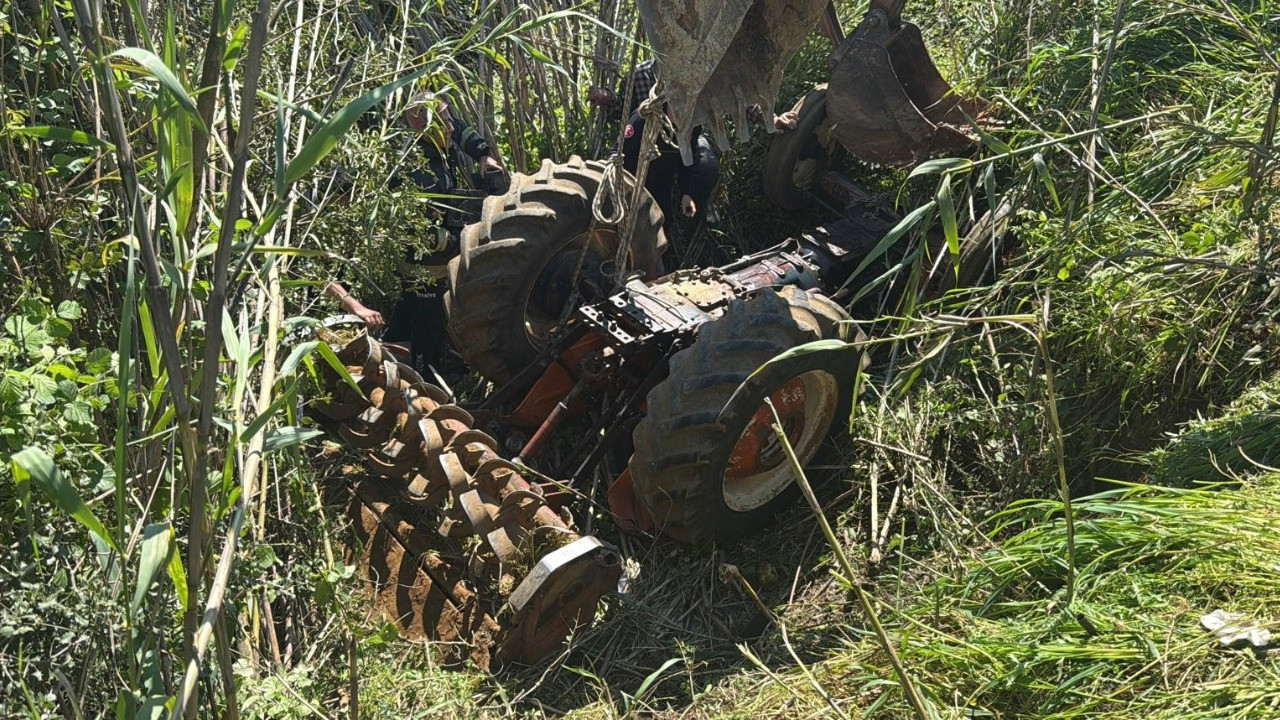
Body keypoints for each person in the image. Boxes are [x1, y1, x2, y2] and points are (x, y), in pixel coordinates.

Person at [326, 90, 506, 376]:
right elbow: (412, 234)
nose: (452, 127)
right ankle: (422, 388)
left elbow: (459, 128)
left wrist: (483, 154)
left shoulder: (439, 150)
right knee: (425, 341)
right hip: (423, 276)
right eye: (444, 121)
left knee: (407, 328)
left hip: (430, 274)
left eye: (449, 119)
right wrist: (464, 236)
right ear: (419, 123)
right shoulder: (417, 173)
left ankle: (396, 369)